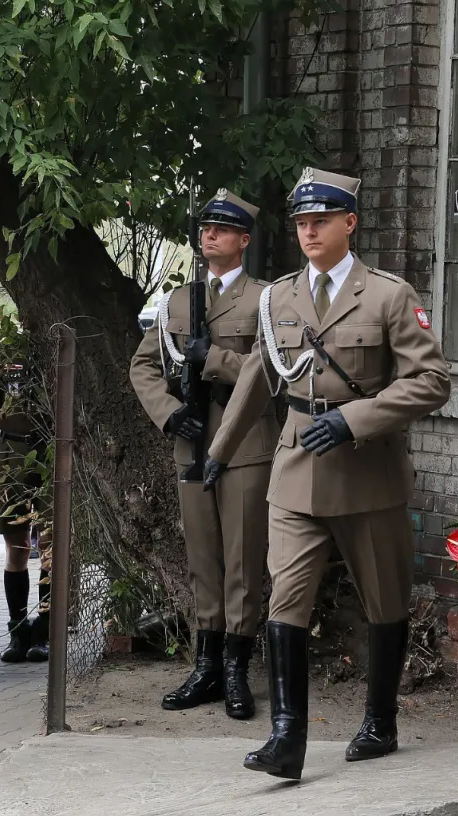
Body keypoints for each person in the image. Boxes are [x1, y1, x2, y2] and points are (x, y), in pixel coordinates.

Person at [205, 169, 450, 782]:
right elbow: (260, 373)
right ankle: (287, 737)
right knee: (284, 598)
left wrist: (354, 420)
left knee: (384, 600)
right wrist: (220, 450)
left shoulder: (389, 296)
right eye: (301, 223)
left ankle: (380, 719)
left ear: (350, 224)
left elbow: (431, 381)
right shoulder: (278, 296)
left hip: (367, 470)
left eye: (320, 220)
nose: (308, 231)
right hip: (294, 465)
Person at [129, 189, 275, 720]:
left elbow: (271, 371)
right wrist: (168, 413)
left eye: (222, 228)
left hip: (245, 446)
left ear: (243, 239)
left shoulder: (265, 300)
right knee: (202, 563)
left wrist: (209, 357)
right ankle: (207, 665)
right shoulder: (176, 303)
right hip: (190, 442)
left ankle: (238, 669)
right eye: (205, 228)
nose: (209, 235)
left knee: (241, 561)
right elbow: (142, 366)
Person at [0, 342, 53, 663]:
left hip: (52, 451)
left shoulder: (58, 347)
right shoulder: (4, 352)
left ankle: (44, 631)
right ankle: (18, 630)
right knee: (15, 544)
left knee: (50, 543)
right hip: (13, 453)